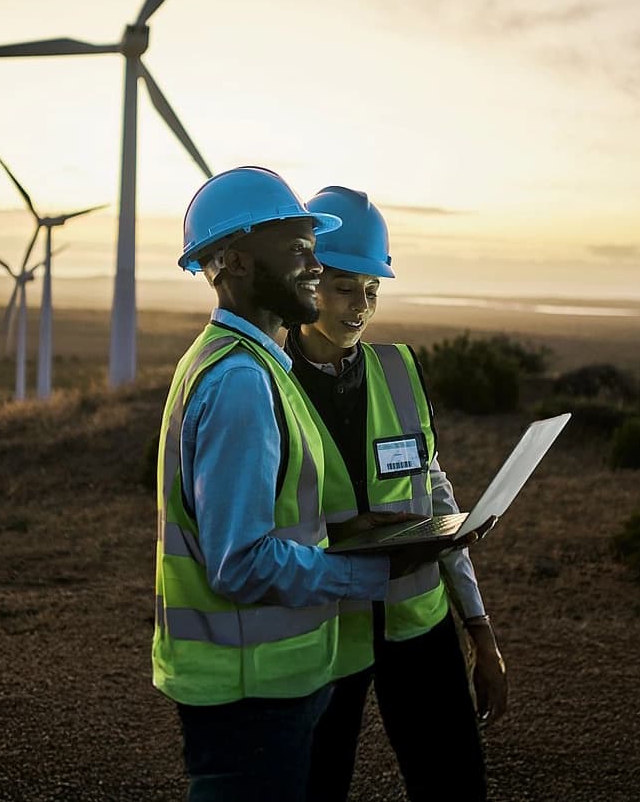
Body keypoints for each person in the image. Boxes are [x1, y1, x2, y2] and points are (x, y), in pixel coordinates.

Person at [153, 167, 474, 802]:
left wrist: (353, 532)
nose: (312, 266)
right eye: (300, 250)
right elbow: (239, 562)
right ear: (237, 262)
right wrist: (367, 573)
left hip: (270, 677)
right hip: (252, 685)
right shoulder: (243, 381)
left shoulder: (242, 366)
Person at [293, 186, 506, 802]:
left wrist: (480, 628)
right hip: (326, 633)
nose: (360, 307)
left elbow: (435, 497)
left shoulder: (400, 369)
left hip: (418, 625)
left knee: (455, 788)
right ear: (307, 281)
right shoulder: (266, 383)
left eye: (372, 290)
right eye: (343, 287)